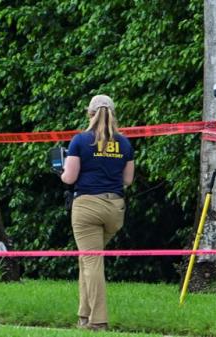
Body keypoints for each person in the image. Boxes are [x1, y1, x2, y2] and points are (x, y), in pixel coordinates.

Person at [61, 94, 134, 330]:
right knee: (87, 259)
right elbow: (128, 180)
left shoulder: (80, 140)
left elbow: (69, 178)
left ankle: (98, 321)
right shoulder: (124, 143)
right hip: (115, 209)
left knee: (92, 262)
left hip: (87, 208)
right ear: (113, 114)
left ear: (89, 114)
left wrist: (60, 172)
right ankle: (83, 316)